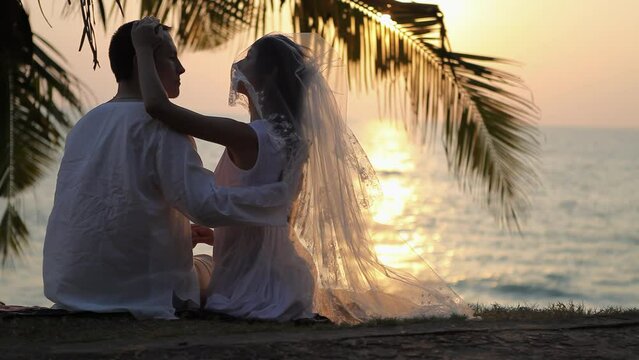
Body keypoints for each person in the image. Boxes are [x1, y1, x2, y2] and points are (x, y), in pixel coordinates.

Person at [132, 17, 472, 323]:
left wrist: (143, 49)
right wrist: (218, 236)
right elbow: (276, 216)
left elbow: (158, 107)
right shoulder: (293, 141)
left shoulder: (245, 136)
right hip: (286, 277)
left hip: (249, 283)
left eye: (248, 59)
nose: (237, 63)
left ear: (269, 75)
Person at [42, 20, 291, 320]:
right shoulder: (162, 126)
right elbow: (205, 206)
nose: (182, 69)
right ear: (142, 61)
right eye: (172, 58)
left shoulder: (85, 124)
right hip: (143, 294)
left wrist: (178, 234)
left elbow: (101, 211)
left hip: (73, 289)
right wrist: (277, 199)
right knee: (212, 269)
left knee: (198, 259)